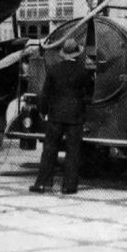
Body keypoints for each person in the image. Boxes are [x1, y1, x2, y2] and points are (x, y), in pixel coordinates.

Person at [30, 38, 95, 195]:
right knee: (73, 152)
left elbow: (45, 93)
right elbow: (90, 94)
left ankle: (42, 184)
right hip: (75, 116)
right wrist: (83, 103)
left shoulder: (53, 69)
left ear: (63, 53)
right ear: (76, 53)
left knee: (49, 149)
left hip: (56, 115)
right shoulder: (84, 71)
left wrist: (43, 111)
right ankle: (69, 187)